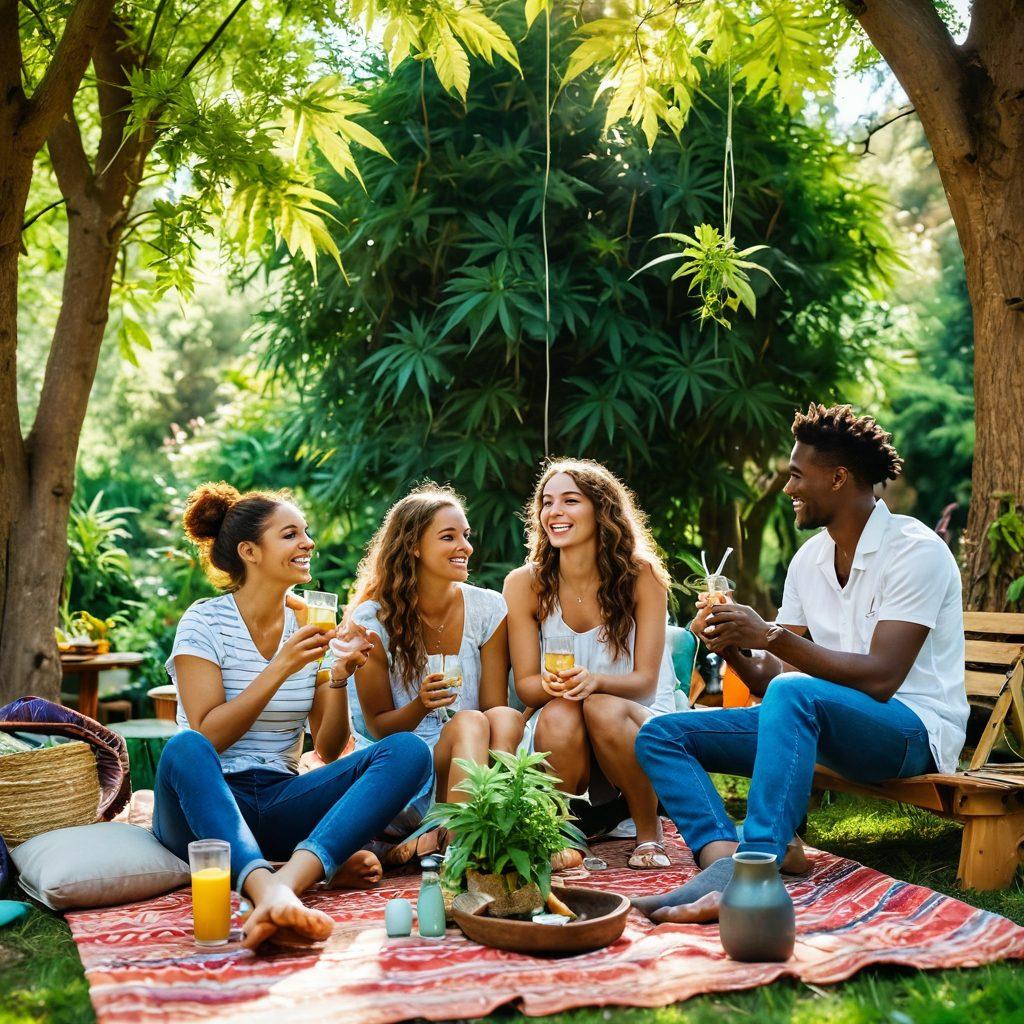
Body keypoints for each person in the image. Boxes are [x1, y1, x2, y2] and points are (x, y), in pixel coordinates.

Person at [633, 404, 968, 922]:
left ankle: (753, 872)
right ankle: (723, 862)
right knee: (661, 734)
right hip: (817, 718)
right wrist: (732, 643)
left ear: (838, 478)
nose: (787, 488)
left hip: (910, 730)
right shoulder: (809, 559)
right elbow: (775, 680)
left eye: (796, 475)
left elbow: (882, 677)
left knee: (797, 696)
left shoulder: (915, 551)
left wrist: (768, 634)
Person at [155, 483, 433, 950]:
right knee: (183, 746)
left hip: (280, 796)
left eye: (306, 533)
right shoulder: (203, 622)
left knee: (409, 751)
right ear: (250, 552)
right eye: (290, 535)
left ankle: (289, 882)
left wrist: (338, 676)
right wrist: (281, 665)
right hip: (204, 806)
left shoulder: (311, 624)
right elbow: (207, 735)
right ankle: (269, 889)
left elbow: (327, 748)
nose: (308, 543)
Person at [504, 458, 679, 869]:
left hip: (634, 714)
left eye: (570, 500)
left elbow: (646, 682)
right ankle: (564, 838)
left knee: (600, 705)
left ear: (602, 511)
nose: (555, 513)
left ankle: (648, 832)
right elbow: (527, 687)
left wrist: (594, 681)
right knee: (561, 712)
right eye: (547, 503)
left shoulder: (643, 576)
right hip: (564, 726)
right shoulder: (524, 584)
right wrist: (560, 685)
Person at [347, 483, 523, 843]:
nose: (465, 547)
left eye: (466, 535)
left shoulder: (488, 609)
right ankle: (462, 847)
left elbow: (493, 707)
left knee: (501, 717)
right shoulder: (373, 621)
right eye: (449, 537)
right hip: (406, 770)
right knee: (470, 722)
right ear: (413, 546)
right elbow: (378, 728)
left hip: (473, 757)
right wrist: (420, 704)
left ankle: (488, 819)